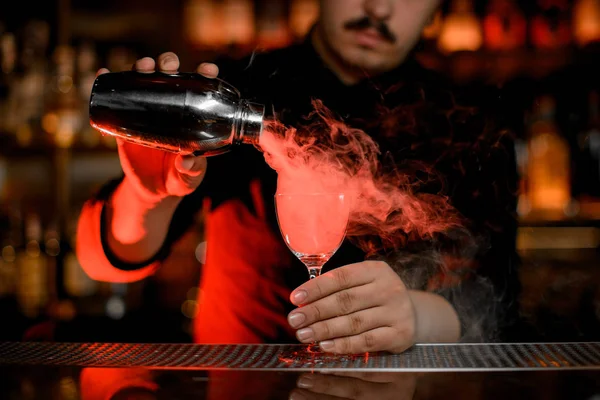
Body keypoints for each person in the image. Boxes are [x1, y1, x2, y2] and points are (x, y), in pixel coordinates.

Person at [76, 0, 521, 354]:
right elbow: (100, 261)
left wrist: (416, 316)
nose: (379, 8)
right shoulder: (238, 86)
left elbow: (497, 299)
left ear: (437, 9)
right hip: (242, 385)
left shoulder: (470, 125)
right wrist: (146, 195)